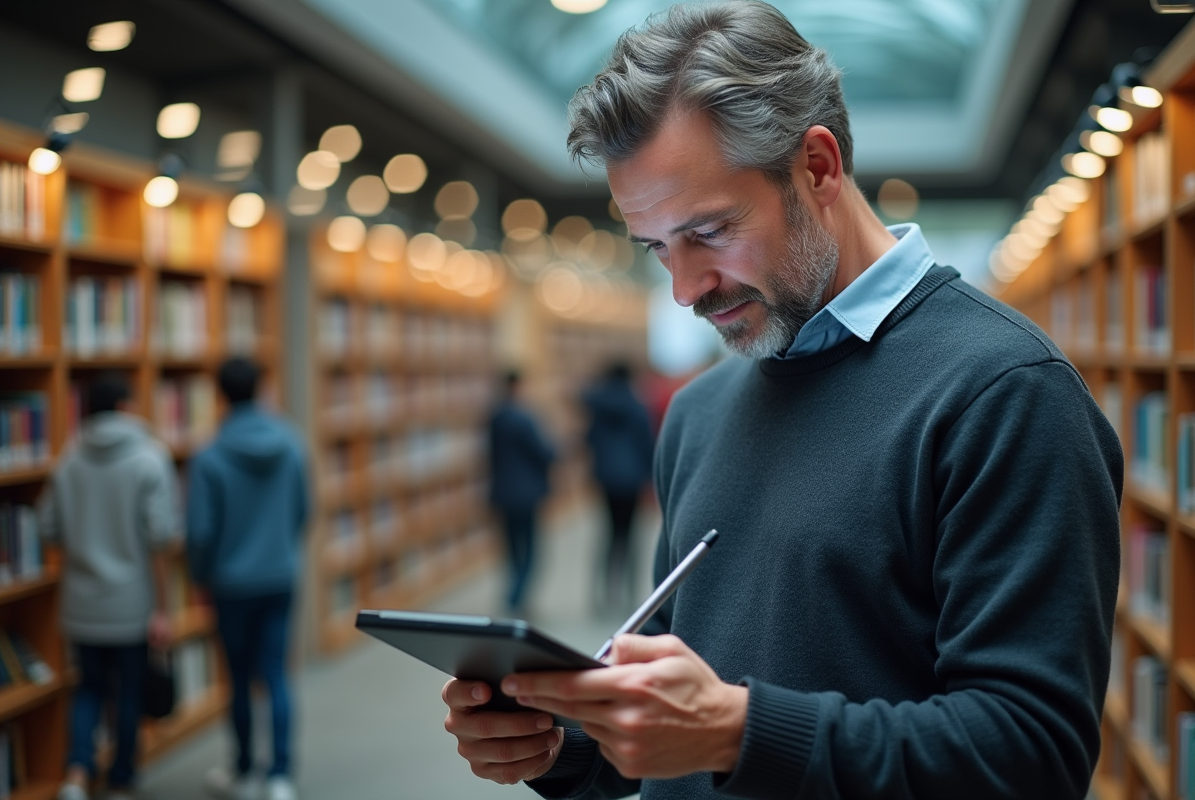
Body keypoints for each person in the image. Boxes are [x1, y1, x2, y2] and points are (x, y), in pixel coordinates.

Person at [441, 3, 1122, 799]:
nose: (686, 287)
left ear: (820, 168)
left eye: (710, 231)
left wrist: (736, 731)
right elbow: (678, 681)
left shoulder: (1005, 395)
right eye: (657, 247)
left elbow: (1030, 756)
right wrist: (564, 739)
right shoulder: (698, 413)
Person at [40, 372, 178, 800]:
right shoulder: (149, 458)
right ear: (125, 407)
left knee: (89, 688)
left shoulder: (68, 461)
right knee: (129, 691)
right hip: (132, 602)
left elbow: (48, 528)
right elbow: (161, 537)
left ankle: (77, 774)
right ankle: (121, 778)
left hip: (81, 603)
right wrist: (162, 606)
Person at [186, 357, 310, 800]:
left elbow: (200, 530)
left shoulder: (209, 455)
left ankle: (242, 771)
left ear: (220, 395)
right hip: (280, 575)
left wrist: (200, 576)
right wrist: (281, 550)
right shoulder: (293, 442)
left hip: (230, 584)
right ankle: (280, 775)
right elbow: (302, 510)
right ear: (261, 387)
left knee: (238, 678)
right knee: (276, 674)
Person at [581, 362, 654, 611]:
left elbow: (589, 440)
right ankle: (630, 594)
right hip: (632, 478)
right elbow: (646, 443)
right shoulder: (637, 406)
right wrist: (650, 478)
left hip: (606, 479)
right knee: (630, 535)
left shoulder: (597, 407)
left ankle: (602, 593)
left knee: (609, 534)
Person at [487, 370, 557, 614]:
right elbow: (544, 454)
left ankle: (513, 595)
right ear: (517, 386)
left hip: (502, 492)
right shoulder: (525, 419)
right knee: (530, 550)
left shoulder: (494, 417)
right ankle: (516, 598)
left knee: (511, 548)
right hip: (527, 494)